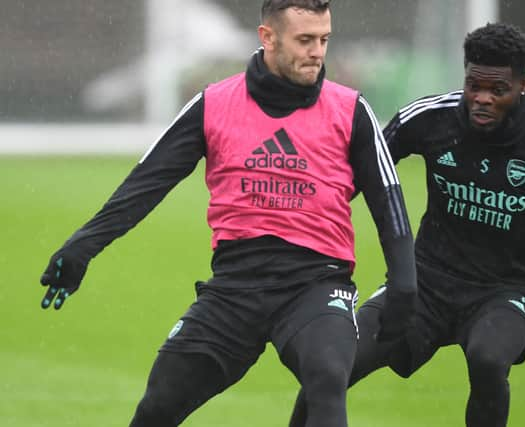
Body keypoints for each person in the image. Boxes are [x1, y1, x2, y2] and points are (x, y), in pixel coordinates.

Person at [38, 1, 417, 426]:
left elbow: (388, 198)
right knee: (158, 405)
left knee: (327, 378)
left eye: (324, 40)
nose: (317, 52)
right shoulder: (214, 104)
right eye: (305, 40)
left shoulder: (350, 110)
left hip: (316, 284)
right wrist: (82, 246)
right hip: (235, 287)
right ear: (267, 38)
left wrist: (404, 281)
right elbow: (146, 184)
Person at [289, 22, 525, 426]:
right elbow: (355, 177)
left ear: (524, 85)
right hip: (425, 284)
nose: (482, 99)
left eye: (497, 90)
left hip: (507, 293)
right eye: (473, 85)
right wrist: (297, 243)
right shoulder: (431, 118)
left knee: (488, 358)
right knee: (330, 363)